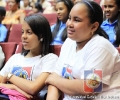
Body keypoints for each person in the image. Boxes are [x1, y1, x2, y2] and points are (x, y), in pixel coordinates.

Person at [45, 1, 120, 100]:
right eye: (69, 18)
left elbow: (88, 87)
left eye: (76, 20)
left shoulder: (100, 47)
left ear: (94, 26)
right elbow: (55, 76)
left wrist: (55, 80)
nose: (69, 24)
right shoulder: (69, 42)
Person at [0, 14, 58, 99]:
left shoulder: (50, 59)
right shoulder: (15, 58)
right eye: (22, 32)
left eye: (29, 32)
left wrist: (9, 76)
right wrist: (13, 87)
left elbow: (33, 88)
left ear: (41, 36)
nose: (23, 36)